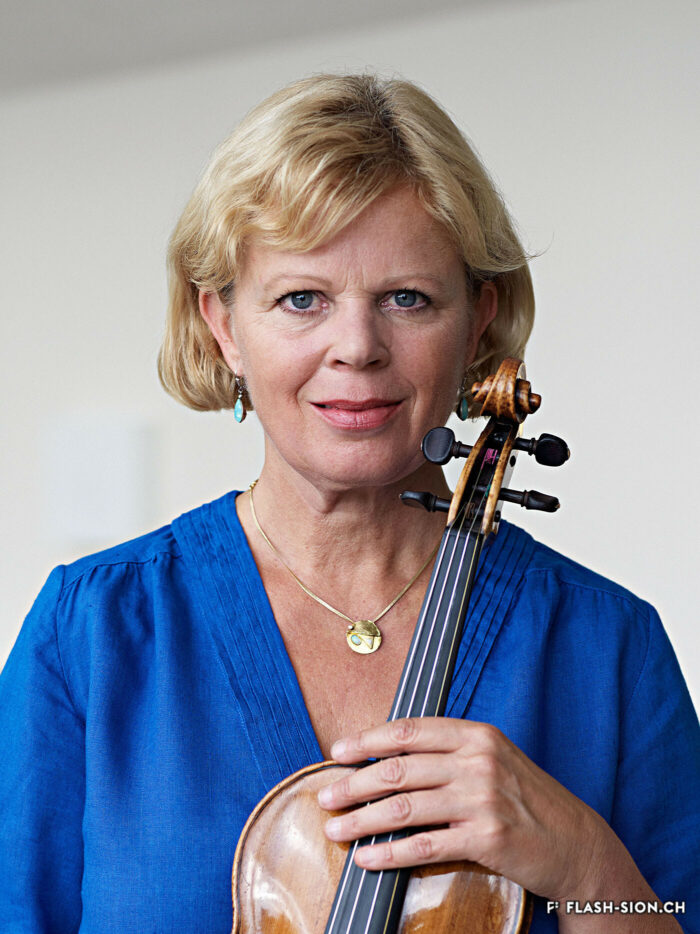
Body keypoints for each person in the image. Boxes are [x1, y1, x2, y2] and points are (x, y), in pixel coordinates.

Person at [0, 73, 697, 934]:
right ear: (223, 325)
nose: (357, 348)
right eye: (302, 299)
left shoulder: (607, 648)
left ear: (478, 319)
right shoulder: (93, 633)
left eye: (408, 298)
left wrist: (584, 856)